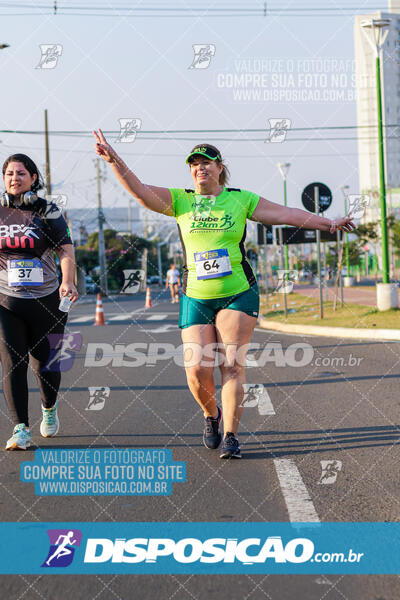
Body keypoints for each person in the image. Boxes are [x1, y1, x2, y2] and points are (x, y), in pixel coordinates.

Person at [93, 131, 354, 459]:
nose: (200, 168)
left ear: (220, 168)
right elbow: (141, 193)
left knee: (231, 364)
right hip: (196, 294)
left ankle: (231, 434)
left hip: (237, 292)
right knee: (196, 368)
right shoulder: (181, 200)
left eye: (207, 163)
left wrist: (329, 223)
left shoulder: (241, 199)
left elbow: (287, 215)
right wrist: (115, 160)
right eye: (195, 164)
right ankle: (211, 415)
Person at [0, 154, 78, 451]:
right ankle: (20, 428)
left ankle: (49, 406)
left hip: (46, 300)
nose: (14, 178)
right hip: (6, 300)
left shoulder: (48, 211)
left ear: (33, 178)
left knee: (45, 365)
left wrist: (67, 281)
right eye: (8, 173)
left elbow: (66, 250)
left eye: (21, 173)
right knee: (12, 361)